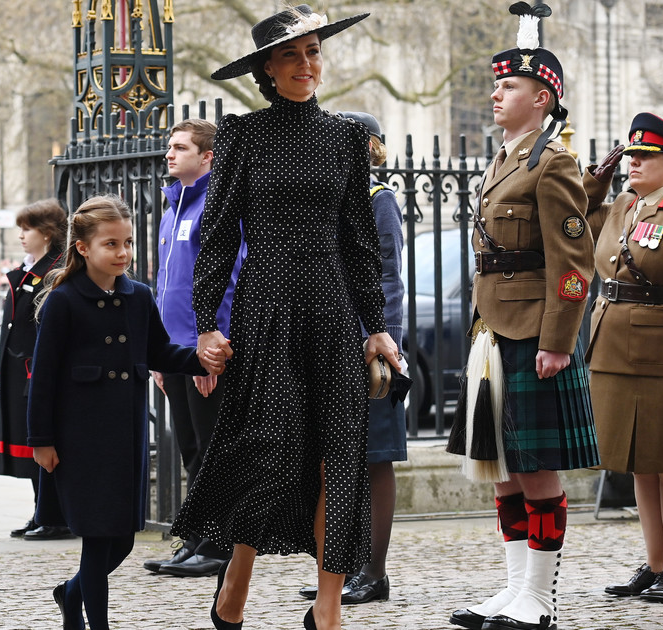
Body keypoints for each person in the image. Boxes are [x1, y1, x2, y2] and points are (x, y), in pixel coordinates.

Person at [167, 6, 401, 630]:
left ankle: (327, 608)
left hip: (330, 309)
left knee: (341, 455)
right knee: (265, 453)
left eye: (315, 52)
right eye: (293, 56)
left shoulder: (348, 138)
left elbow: (358, 240)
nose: (307, 66)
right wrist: (209, 328)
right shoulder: (242, 136)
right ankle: (235, 583)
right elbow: (215, 238)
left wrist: (375, 325)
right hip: (265, 309)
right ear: (267, 70)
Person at [445, 4, 598, 630]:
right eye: (497, 83)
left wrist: (557, 339)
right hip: (493, 329)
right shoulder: (504, 158)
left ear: (542, 98)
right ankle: (512, 590)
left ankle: (540, 599)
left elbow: (573, 261)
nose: (494, 93)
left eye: (508, 86)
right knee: (502, 468)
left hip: (535, 330)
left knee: (535, 470)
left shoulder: (552, 161)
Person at [27, 194, 218, 630]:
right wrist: (41, 441)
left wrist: (202, 360)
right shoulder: (64, 301)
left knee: (123, 543)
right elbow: (45, 377)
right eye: (111, 244)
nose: (123, 253)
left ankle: (70, 593)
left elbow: (160, 351)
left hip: (125, 439)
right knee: (97, 543)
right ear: (83, 248)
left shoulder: (138, 296)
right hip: (80, 442)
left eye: (128, 243)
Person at [582, 113, 663, 603]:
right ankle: (653, 565)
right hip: (612, 346)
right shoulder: (622, 206)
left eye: (645, 157)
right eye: (630, 156)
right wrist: (594, 185)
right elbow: (572, 230)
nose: (633, 164)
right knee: (638, 466)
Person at [300, 110, 405, 606]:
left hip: (366, 345)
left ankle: (374, 571)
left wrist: (378, 339)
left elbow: (388, 279)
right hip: (324, 340)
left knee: (374, 458)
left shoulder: (377, 199)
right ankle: (339, 569)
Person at [145, 118, 242, 578]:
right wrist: (160, 354)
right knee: (187, 446)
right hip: (175, 351)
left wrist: (213, 348)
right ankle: (196, 539)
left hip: (204, 351)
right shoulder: (171, 209)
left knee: (212, 449)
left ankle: (219, 545)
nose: (170, 154)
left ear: (207, 157)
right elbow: (167, 286)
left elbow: (229, 281)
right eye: (170, 146)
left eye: (180, 147)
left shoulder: (217, 206)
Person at [0, 198, 71, 541]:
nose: (21, 235)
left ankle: (55, 516)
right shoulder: (28, 269)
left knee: (44, 442)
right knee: (28, 444)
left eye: (28, 229)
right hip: (16, 367)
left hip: (34, 369)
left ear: (48, 233)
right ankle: (42, 512)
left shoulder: (54, 271)